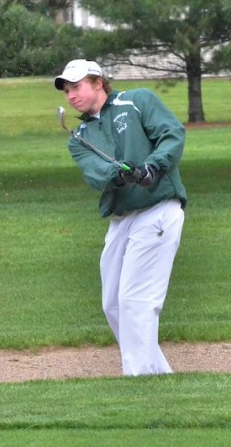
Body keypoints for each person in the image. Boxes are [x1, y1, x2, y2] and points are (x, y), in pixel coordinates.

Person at [54, 58, 187, 376]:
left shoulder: (137, 100)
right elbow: (94, 173)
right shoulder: (79, 137)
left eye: (77, 87)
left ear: (98, 83)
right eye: (66, 90)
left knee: (135, 299)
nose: (71, 95)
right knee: (113, 303)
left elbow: (172, 134)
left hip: (157, 210)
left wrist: (152, 167)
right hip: (122, 218)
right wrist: (119, 174)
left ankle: (139, 376)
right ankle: (157, 374)